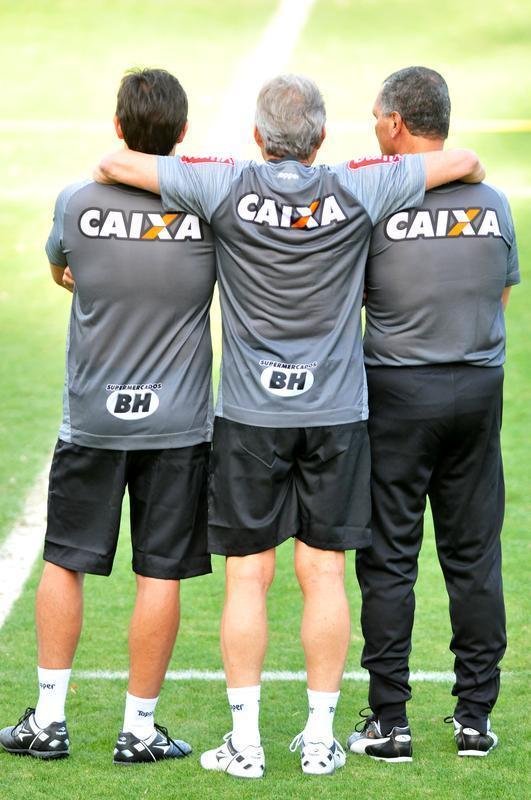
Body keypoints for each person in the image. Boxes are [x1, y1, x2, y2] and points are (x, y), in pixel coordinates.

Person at [95, 73, 485, 778]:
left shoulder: (224, 185)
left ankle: (245, 744)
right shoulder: (358, 187)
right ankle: (319, 740)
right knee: (325, 573)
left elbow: (116, 165)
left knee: (248, 577)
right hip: (336, 414)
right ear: (322, 137)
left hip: (251, 416)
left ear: (257, 135)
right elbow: (463, 162)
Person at [0, 69, 216, 764]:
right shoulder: (207, 210)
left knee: (65, 562)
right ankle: (140, 729)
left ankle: (48, 722)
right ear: (182, 133)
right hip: (178, 426)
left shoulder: (76, 202)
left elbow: (63, 271)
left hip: (93, 421)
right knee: (159, 573)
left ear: (118, 128)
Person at [347, 66, 519, 762]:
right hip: (476, 391)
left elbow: (350, 300)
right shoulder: (494, 203)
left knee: (389, 558)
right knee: (473, 556)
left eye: (375, 117)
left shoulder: (376, 205)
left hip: (396, 394)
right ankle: (474, 717)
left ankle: (389, 722)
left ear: (394, 123)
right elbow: (499, 296)